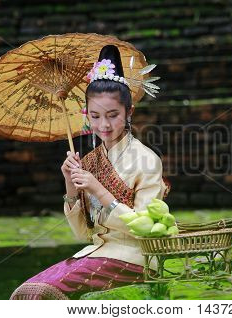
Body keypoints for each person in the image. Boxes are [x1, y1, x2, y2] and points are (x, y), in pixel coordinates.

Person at [10, 44, 170, 300]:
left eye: (113, 115)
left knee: (40, 295)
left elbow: (147, 229)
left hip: (135, 258)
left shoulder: (147, 160)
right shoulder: (90, 161)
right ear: (86, 115)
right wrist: (70, 186)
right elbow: (84, 233)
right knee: (25, 293)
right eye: (95, 116)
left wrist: (98, 189)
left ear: (130, 112)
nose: (103, 125)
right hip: (97, 253)